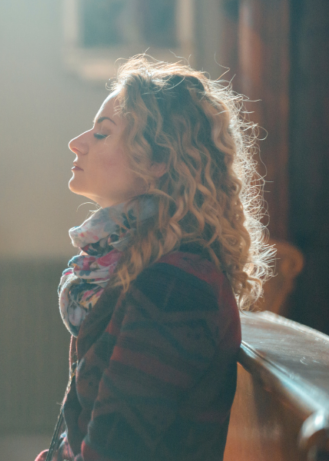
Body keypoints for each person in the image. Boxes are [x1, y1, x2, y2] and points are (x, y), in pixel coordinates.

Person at [36, 56, 273, 461]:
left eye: (101, 133)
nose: (77, 143)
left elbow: (115, 449)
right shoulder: (135, 262)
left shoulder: (176, 285)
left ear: (159, 160)